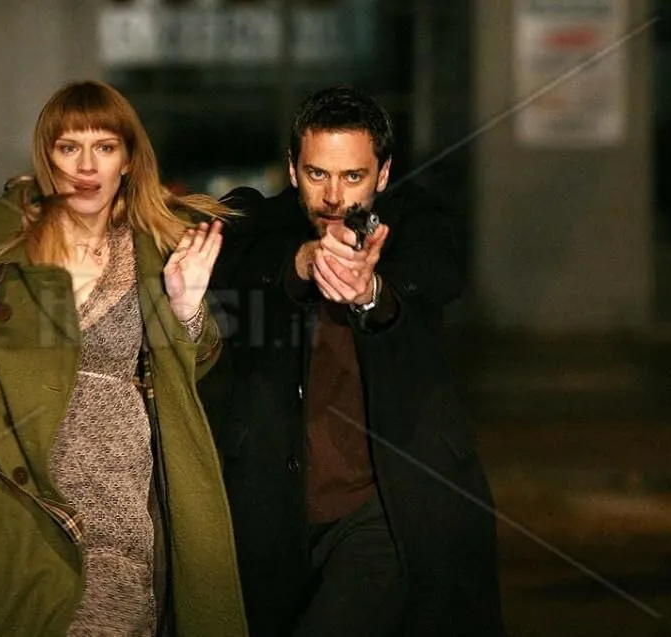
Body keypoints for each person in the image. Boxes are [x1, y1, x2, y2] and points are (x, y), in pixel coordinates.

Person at [0, 80, 248, 637]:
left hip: (120, 508)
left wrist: (184, 309)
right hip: (17, 507)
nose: (86, 166)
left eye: (104, 147)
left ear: (127, 159)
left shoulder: (155, 246)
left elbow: (191, 367)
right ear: (47, 156)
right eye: (69, 147)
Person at [201, 85, 504, 636]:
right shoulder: (262, 224)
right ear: (292, 169)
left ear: (382, 174)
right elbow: (231, 260)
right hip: (278, 513)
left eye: (353, 176)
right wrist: (302, 263)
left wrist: (370, 293)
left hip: (387, 508)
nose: (334, 197)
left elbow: (435, 275)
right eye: (317, 174)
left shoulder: (419, 223)